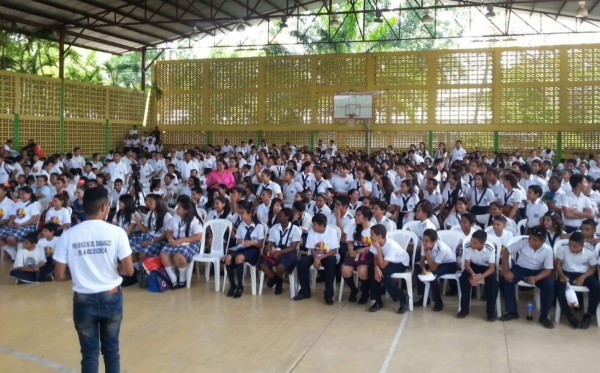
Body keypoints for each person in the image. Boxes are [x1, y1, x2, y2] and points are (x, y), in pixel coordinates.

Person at [54, 187, 134, 373]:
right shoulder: (117, 232)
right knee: (111, 351)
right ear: (104, 207)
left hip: (83, 298)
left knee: (89, 354)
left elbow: (58, 276)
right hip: (111, 295)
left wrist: (79, 273)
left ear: (84, 205)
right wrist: (112, 269)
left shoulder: (69, 235)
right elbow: (129, 270)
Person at [500, 226, 555, 329]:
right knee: (506, 279)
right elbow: (505, 251)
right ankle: (512, 312)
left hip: (539, 271)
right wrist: (506, 270)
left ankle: (544, 317)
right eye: (530, 238)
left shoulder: (548, 250)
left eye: (535, 240)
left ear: (542, 241)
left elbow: (548, 270)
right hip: (521, 268)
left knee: (549, 285)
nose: (530, 241)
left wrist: (536, 278)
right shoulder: (523, 241)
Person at [555, 232, 600, 329]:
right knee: (560, 287)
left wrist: (583, 277)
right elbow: (558, 264)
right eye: (570, 245)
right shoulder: (563, 248)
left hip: (584, 274)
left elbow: (593, 268)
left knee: (596, 286)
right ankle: (568, 314)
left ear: (582, 245)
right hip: (567, 273)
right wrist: (561, 275)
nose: (571, 248)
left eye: (575, 246)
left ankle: (588, 315)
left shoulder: (590, 251)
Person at [294, 213, 340, 305]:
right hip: (316, 254)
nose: (313, 226)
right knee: (302, 262)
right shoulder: (312, 230)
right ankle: (305, 291)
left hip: (329, 255)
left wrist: (319, 258)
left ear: (322, 225)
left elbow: (334, 251)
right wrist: (316, 258)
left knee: (331, 264)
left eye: (315, 224)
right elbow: (312, 248)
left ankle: (329, 295)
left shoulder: (332, 231)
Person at [160, 195, 204, 288]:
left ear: (186, 210)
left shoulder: (194, 220)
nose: (176, 209)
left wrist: (181, 240)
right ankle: (173, 279)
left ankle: (182, 279)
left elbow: (197, 237)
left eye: (179, 208)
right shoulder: (175, 217)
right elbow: (168, 232)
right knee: (163, 253)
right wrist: (170, 239)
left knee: (179, 255)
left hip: (191, 243)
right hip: (176, 241)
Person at [225, 201, 265, 298]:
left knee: (239, 258)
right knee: (228, 258)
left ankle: (240, 286)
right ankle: (232, 285)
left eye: (243, 213)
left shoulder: (259, 227)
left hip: (253, 250)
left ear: (251, 214)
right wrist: (239, 240)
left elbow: (260, 245)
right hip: (242, 248)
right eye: (240, 213)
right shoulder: (241, 225)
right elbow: (238, 240)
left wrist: (251, 243)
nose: (241, 215)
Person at [368, 224, 410, 313]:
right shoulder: (374, 242)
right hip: (387, 261)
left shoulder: (391, 246)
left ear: (379, 236)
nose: (370, 237)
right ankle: (378, 300)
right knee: (372, 270)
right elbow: (375, 259)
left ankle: (402, 298)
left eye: (372, 234)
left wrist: (379, 249)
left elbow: (382, 266)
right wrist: (376, 267)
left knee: (383, 273)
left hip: (401, 262)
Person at [457, 230, 499, 321]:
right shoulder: (467, 246)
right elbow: (467, 265)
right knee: (463, 279)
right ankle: (464, 309)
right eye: (471, 240)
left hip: (486, 268)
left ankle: (491, 312)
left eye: (475, 243)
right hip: (473, 266)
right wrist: (473, 275)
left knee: (493, 283)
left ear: (482, 244)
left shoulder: (490, 248)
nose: (472, 243)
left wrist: (479, 277)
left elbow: (492, 268)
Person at [260, 207, 301, 295]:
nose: (278, 217)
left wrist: (280, 252)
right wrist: (273, 249)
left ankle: (277, 281)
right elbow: (272, 243)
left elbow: (293, 247)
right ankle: (276, 279)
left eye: (280, 216)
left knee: (281, 267)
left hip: (289, 252)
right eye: (278, 215)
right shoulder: (274, 227)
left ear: (287, 217)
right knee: (262, 265)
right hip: (277, 249)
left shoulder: (295, 229)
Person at [414, 229, 456, 311]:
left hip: (449, 264)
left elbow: (433, 268)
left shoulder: (441, 248)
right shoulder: (425, 245)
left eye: (427, 241)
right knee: (419, 270)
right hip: (436, 264)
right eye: (423, 240)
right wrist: (423, 269)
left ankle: (438, 302)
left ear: (434, 241)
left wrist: (427, 253)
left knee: (432, 276)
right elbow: (421, 261)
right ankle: (424, 297)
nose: (424, 243)